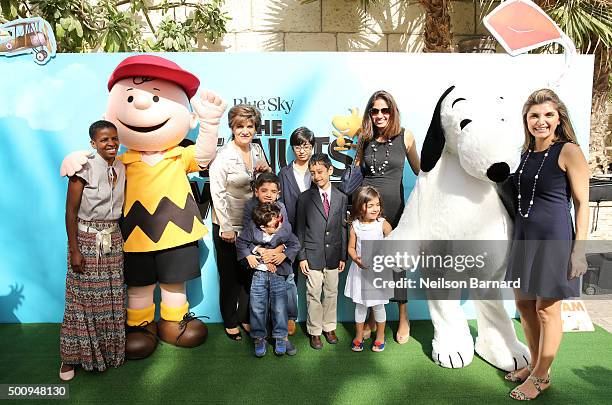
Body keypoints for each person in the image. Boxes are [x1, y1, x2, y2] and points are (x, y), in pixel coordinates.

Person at [505, 89, 589, 400]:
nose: (541, 121)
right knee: (524, 305)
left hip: (554, 239)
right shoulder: (524, 154)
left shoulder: (569, 151)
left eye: (548, 115)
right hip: (524, 238)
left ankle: (542, 376)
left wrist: (579, 251)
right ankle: (536, 364)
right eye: (534, 116)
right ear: (526, 120)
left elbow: (582, 204)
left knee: (547, 310)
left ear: (558, 119)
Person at [60, 120, 125, 381]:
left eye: (114, 138)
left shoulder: (121, 166)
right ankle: (70, 358)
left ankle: (108, 353)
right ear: (93, 143)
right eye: (104, 140)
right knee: (81, 300)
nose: (110, 144)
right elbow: (70, 212)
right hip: (86, 240)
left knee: (111, 296)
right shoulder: (82, 168)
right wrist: (74, 249)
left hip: (114, 239)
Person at [355, 90, 420, 344]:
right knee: (371, 264)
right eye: (375, 110)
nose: (380, 115)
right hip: (366, 211)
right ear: (369, 113)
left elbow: (421, 171)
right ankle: (372, 317)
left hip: (395, 210)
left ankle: (403, 316)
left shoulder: (406, 136)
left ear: (392, 112)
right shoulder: (364, 138)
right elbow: (356, 174)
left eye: (385, 110)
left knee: (397, 265)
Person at [209, 104, 271, 340]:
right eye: (240, 126)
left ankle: (246, 317)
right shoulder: (224, 156)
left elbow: (265, 184)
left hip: (251, 225)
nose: (245, 131)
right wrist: (226, 227)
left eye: (250, 126)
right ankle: (230, 320)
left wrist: (266, 169)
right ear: (232, 128)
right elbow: (217, 193)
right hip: (228, 226)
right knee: (230, 277)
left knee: (250, 274)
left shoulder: (256, 149)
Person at [296, 153, 348, 350]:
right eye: (312, 173)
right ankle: (315, 331)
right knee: (313, 293)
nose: (316, 176)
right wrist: (302, 256)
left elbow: (343, 228)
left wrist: (342, 254)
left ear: (330, 170)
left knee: (332, 292)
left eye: (320, 171)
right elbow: (299, 229)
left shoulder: (341, 197)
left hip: (334, 254)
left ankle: (329, 327)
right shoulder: (304, 198)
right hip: (312, 254)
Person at [236, 202, 300, 357]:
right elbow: (241, 242)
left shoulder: (284, 229)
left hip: (278, 275)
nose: (280, 224)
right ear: (263, 227)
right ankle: (259, 338)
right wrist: (251, 254)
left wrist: (283, 254)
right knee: (257, 307)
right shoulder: (252, 230)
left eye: (280, 220)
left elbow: (295, 244)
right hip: (259, 275)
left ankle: (280, 338)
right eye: (275, 223)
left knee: (280, 308)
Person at [243, 173, 298, 335]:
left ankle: (290, 318)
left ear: (278, 193)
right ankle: (263, 324)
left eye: (273, 191)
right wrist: (263, 255)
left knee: (289, 282)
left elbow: (286, 231)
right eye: (264, 190)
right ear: (256, 192)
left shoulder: (281, 207)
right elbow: (248, 235)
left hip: (278, 251)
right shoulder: (249, 206)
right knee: (259, 292)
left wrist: (278, 252)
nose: (268, 194)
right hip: (260, 254)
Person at [344, 186, 393, 352]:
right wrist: (356, 259)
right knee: (360, 306)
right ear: (360, 206)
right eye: (370, 205)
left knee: (378, 306)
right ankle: (358, 336)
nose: (375, 208)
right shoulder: (355, 226)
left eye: (377, 205)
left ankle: (380, 336)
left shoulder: (383, 224)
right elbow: (351, 248)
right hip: (360, 272)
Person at [278, 126, 316, 334]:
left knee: (315, 278)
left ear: (312, 147)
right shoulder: (284, 173)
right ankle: (290, 318)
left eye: (306, 146)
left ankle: (316, 323)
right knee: (289, 278)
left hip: (314, 233)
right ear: (292, 148)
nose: (302, 150)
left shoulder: (317, 170)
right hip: (291, 233)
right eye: (297, 146)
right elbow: (280, 204)